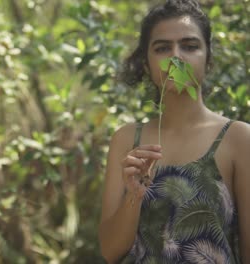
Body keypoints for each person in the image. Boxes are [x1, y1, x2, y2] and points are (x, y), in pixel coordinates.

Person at [98, 0, 249, 263]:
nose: (176, 57)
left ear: (208, 58)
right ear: (146, 64)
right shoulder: (126, 140)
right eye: (162, 48)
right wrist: (134, 194)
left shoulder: (238, 138)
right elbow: (110, 252)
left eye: (190, 46)